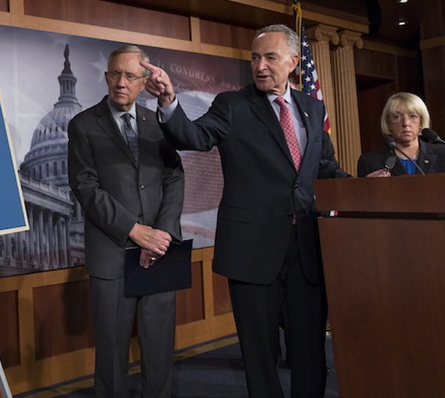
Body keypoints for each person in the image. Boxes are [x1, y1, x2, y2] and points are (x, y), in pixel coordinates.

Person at [141, 24, 350, 398]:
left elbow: (323, 168)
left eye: (270, 57)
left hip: (307, 249)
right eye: (255, 57)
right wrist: (170, 101)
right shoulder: (233, 106)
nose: (261, 65)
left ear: (293, 62)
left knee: (310, 351)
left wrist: (365, 185)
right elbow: (194, 137)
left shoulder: (313, 108)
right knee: (259, 357)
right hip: (252, 252)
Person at [68, 45, 185, 398]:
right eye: (115, 74)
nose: (121, 82)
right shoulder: (83, 124)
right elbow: (86, 188)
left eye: (130, 76)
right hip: (114, 252)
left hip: (160, 252)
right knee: (112, 354)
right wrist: (136, 231)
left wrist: (161, 234)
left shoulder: (158, 122)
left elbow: (174, 177)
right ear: (106, 77)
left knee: (160, 350)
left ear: (144, 82)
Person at [357, 92, 445, 176]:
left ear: (421, 122)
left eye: (413, 116)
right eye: (397, 117)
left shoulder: (442, 154)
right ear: (388, 123)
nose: (406, 123)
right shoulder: (370, 161)